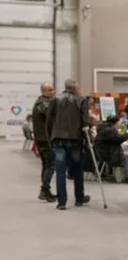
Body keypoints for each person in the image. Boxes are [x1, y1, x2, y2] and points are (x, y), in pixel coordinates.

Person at [47, 78, 91, 211]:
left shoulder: (55, 99)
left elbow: (49, 120)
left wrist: (51, 138)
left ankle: (61, 202)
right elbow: (84, 122)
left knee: (60, 171)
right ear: (74, 88)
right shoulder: (81, 100)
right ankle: (79, 198)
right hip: (75, 139)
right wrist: (88, 141)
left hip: (58, 139)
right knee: (77, 169)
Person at [31, 82, 56, 202]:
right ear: (43, 91)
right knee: (51, 164)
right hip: (45, 139)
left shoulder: (40, 103)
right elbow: (52, 116)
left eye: (53, 89)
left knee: (46, 165)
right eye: (50, 90)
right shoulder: (43, 104)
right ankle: (44, 190)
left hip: (41, 139)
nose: (53, 92)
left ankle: (46, 191)